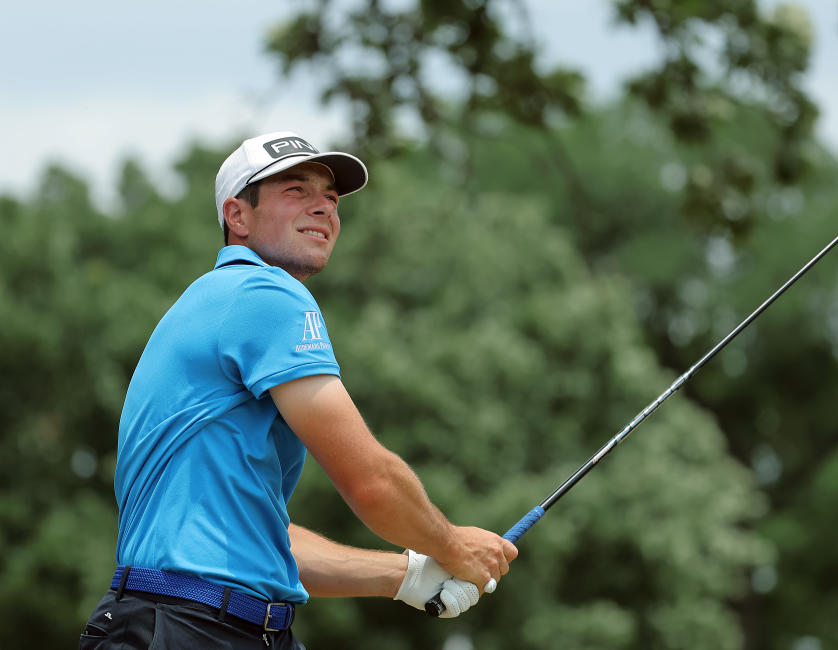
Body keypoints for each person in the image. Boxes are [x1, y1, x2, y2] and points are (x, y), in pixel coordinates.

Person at [79, 131, 518, 649]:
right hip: (187, 627)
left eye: (331, 199)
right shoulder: (263, 292)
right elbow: (369, 480)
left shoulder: (217, 299)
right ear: (237, 216)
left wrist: (406, 575)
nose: (324, 209)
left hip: (212, 625)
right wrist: (453, 545)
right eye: (296, 191)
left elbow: (266, 544)